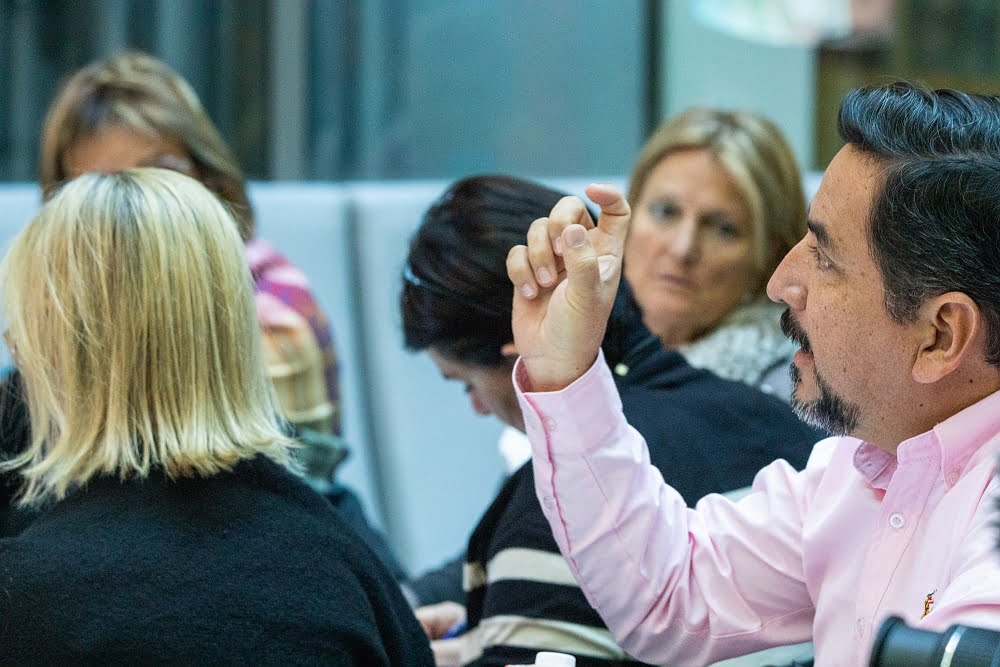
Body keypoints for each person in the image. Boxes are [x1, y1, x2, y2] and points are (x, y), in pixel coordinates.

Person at [505, 82, 1000, 666]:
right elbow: (670, 594)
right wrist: (566, 371)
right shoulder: (859, 465)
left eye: (825, 257)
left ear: (940, 335)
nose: (780, 284)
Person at [0, 169, 433, 665]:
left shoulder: (25, 599)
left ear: (62, 349)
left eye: (24, 327)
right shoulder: (349, 574)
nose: (15, 347)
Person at [8, 51, 406, 578]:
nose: (134, 212)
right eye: (100, 191)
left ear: (210, 177)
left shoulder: (272, 318)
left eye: (156, 174)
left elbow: (210, 513)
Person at [400, 175, 820, 666]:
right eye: (664, 212)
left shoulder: (558, 509)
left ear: (520, 343)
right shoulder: (803, 440)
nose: (477, 407)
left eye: (465, 383)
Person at [624, 108, 806, 399]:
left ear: (771, 258)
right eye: (665, 211)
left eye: (723, 229)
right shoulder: (582, 348)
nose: (682, 248)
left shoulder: (788, 390)